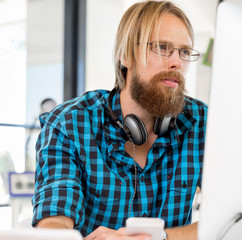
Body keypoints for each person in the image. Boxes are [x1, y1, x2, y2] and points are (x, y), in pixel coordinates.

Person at [32, 1, 207, 239]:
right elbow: (53, 223)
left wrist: (160, 238)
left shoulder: (203, 123)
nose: (176, 62)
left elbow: (233, 218)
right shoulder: (68, 124)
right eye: (162, 47)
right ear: (126, 55)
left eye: (184, 52)